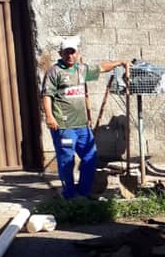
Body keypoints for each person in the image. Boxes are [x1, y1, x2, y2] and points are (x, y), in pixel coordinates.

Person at [41, 36, 128, 199]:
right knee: (67, 160)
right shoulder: (55, 71)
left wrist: (119, 63)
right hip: (63, 126)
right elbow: (46, 95)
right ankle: (69, 195)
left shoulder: (81, 69)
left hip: (82, 126)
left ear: (77, 52)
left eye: (73, 52)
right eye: (66, 52)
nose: (70, 56)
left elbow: (101, 68)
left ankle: (84, 191)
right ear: (61, 53)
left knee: (90, 157)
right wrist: (49, 116)